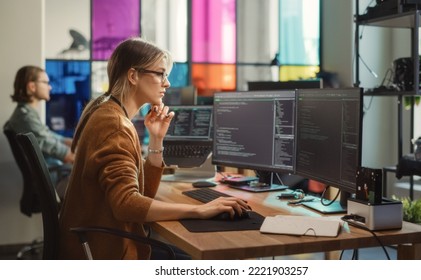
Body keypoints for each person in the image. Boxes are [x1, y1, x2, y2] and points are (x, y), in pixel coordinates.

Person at [58, 37, 250, 260]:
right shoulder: (114, 125)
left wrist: (156, 139)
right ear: (133, 76)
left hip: (95, 243)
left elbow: (142, 194)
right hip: (104, 251)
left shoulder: (108, 112)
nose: (167, 83)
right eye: (160, 74)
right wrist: (199, 210)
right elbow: (126, 205)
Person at [6, 66, 75, 198]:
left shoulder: (27, 114)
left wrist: (79, 143)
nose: (50, 87)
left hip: (55, 175)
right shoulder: (25, 118)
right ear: (32, 86)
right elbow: (61, 152)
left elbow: (54, 138)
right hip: (54, 180)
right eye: (45, 82)